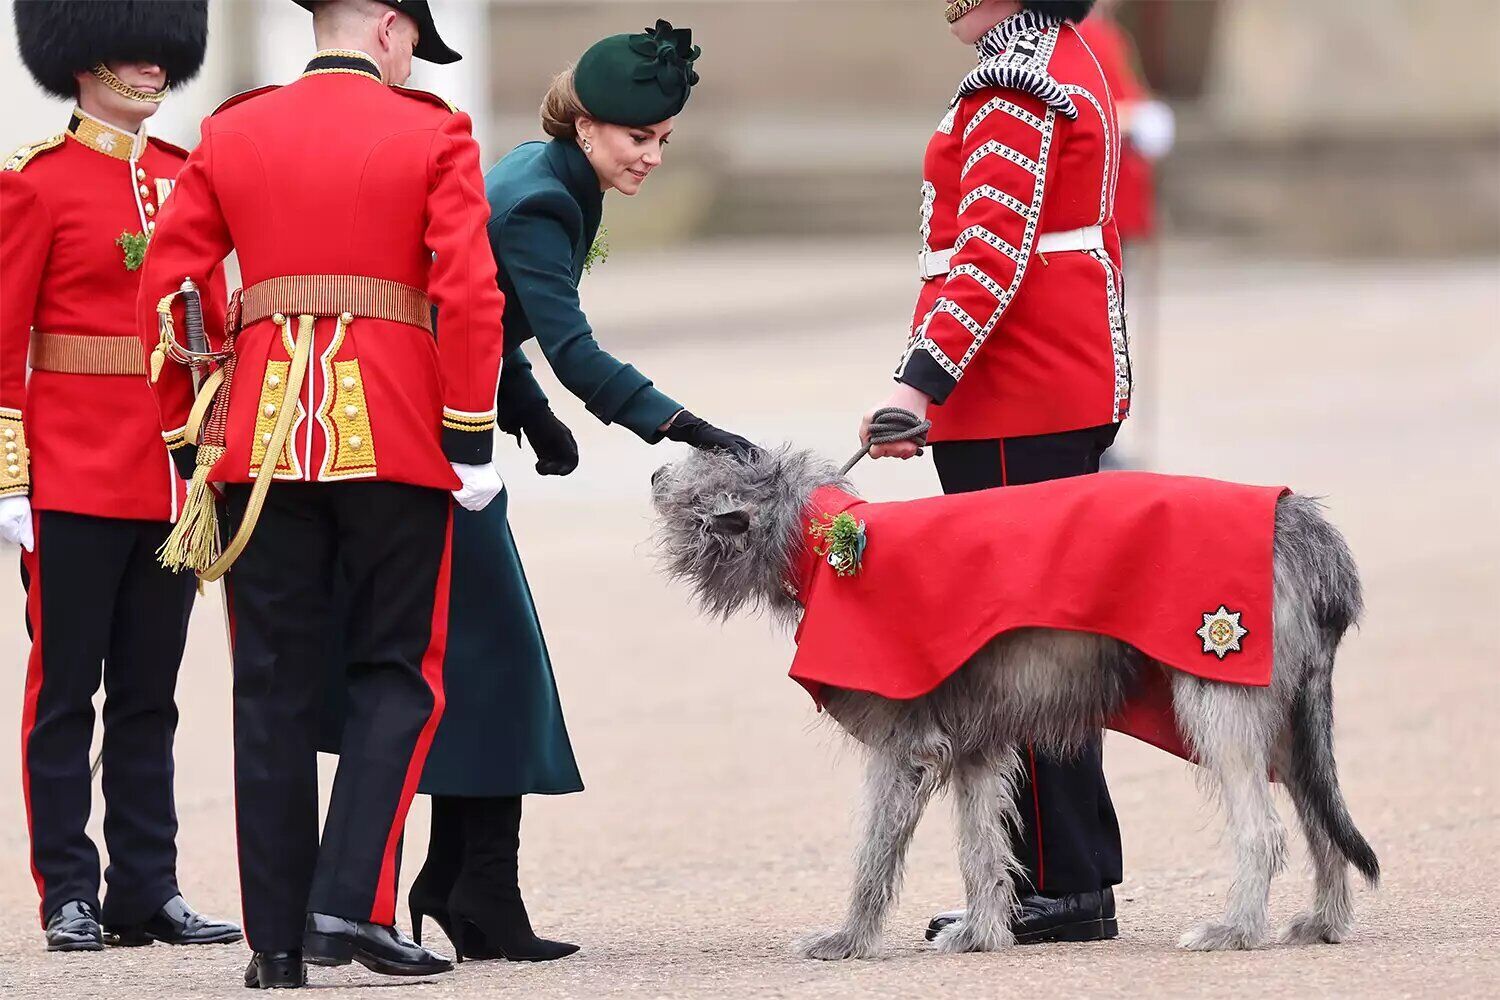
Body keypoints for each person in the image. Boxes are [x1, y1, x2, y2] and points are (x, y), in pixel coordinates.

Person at [134, 0, 505, 988]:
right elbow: (467, 287)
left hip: (257, 441)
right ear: (390, 27)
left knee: (270, 692)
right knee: (395, 671)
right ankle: (347, 895)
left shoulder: (233, 128)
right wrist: (470, 430)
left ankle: (279, 945)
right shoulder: (432, 129)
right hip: (392, 428)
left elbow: (169, 290)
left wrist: (187, 428)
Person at [399, 17, 753, 963]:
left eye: (663, 141)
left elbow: (486, 310)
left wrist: (528, 413)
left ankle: (463, 883)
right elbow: (573, 348)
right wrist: (688, 428)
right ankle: (472, 887)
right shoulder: (542, 200)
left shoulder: (547, 170)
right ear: (589, 124)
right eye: (639, 138)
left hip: (448, 424)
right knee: (497, 660)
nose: (652, 158)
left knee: (484, 660)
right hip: (425, 442)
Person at [859, 0, 1128, 944]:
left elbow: (989, 255)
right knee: (1042, 643)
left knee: (1025, 650)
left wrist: (917, 387)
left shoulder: (1015, 76)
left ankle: (1051, 881)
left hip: (1015, 396)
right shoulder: (1055, 56)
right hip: (1033, 390)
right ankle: (1062, 876)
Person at [0, 0, 240, 954]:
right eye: (139, 61)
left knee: (151, 693)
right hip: (67, 473)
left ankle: (149, 885)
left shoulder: (185, 179)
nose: (157, 76)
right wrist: (10, 478)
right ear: (87, 63)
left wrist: (210, 459)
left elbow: (211, 335)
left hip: (167, 476)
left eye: (160, 61)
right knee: (65, 692)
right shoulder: (32, 184)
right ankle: (69, 888)